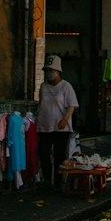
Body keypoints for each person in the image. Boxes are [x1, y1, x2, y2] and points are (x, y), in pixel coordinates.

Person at [35, 56, 78, 186]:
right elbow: (41, 104)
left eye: (51, 71)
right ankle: (47, 180)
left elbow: (72, 105)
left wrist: (65, 119)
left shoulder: (66, 86)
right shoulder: (43, 86)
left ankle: (59, 183)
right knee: (44, 153)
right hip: (44, 126)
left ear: (58, 71)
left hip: (61, 128)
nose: (49, 73)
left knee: (59, 155)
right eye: (47, 71)